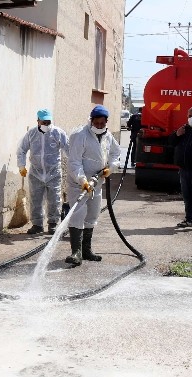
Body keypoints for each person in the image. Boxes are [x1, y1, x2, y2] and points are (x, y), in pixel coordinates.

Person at [65, 105, 121, 266]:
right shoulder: (80, 135)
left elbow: (115, 153)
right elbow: (74, 162)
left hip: (97, 183)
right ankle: (76, 252)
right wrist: (82, 180)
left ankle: (86, 250)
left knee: (92, 215)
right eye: (96, 123)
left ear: (106, 122)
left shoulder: (108, 136)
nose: (99, 126)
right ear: (91, 121)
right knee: (78, 215)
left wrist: (111, 167)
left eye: (102, 123)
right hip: (79, 184)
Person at [17, 109, 69, 236]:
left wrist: (74, 166)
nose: (46, 124)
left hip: (54, 173)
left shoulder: (58, 133)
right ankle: (37, 224)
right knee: (35, 200)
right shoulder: (31, 134)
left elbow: (69, 149)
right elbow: (22, 149)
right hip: (36, 173)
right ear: (38, 121)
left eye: (48, 122)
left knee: (54, 199)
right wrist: (21, 166)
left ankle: (53, 223)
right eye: (43, 122)